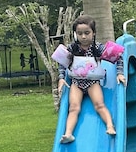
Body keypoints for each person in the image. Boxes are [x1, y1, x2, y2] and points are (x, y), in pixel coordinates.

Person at [53, 16, 126, 144]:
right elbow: (62, 63)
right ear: (75, 34)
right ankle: (68, 134)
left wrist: (119, 74)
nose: (83, 36)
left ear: (94, 33)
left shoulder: (98, 48)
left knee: (99, 105)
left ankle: (110, 126)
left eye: (87, 33)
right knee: (73, 108)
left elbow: (118, 57)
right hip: (76, 83)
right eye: (79, 33)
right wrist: (61, 78)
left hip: (92, 83)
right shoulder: (72, 48)